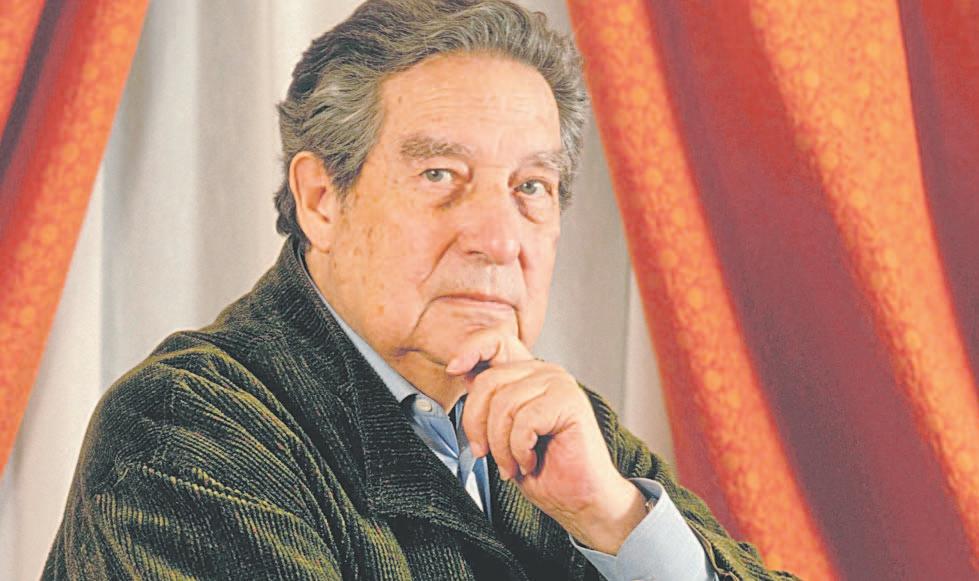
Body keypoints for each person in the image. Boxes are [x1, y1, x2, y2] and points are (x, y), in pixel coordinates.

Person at [44, 1, 798, 579]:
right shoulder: (183, 432)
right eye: (440, 175)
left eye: (530, 186)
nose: (497, 238)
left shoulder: (571, 434)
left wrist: (616, 519)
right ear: (320, 200)